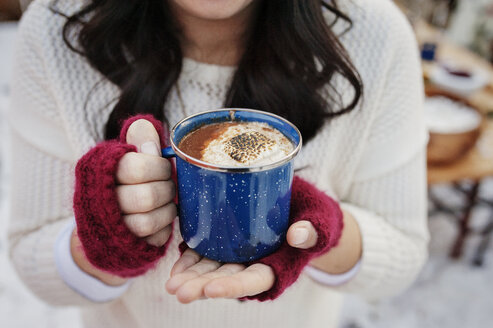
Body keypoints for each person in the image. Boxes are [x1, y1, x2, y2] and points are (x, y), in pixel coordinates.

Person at [7, 0, 429, 327]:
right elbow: (30, 261)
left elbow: (403, 254)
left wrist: (323, 229)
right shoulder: (57, 25)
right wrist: (105, 237)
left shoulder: (377, 34)